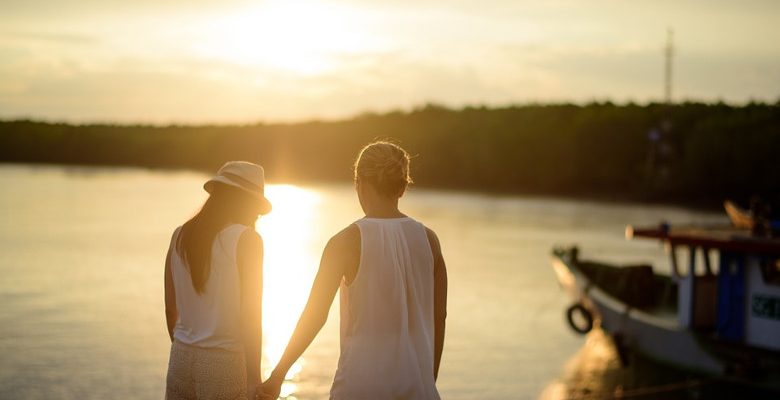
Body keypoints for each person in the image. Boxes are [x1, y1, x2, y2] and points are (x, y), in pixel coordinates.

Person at [258, 141, 448, 400]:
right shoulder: (429, 240)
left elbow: (315, 316)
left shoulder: (345, 242)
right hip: (418, 388)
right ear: (402, 188)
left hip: (359, 387)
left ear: (359, 183)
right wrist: (428, 378)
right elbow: (440, 317)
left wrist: (277, 376)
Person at [164, 161, 272, 400]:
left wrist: (187, 346)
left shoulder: (180, 235)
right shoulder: (248, 240)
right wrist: (254, 378)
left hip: (180, 357)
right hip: (225, 362)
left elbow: (171, 309)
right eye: (255, 206)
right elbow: (250, 316)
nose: (256, 214)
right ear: (243, 200)